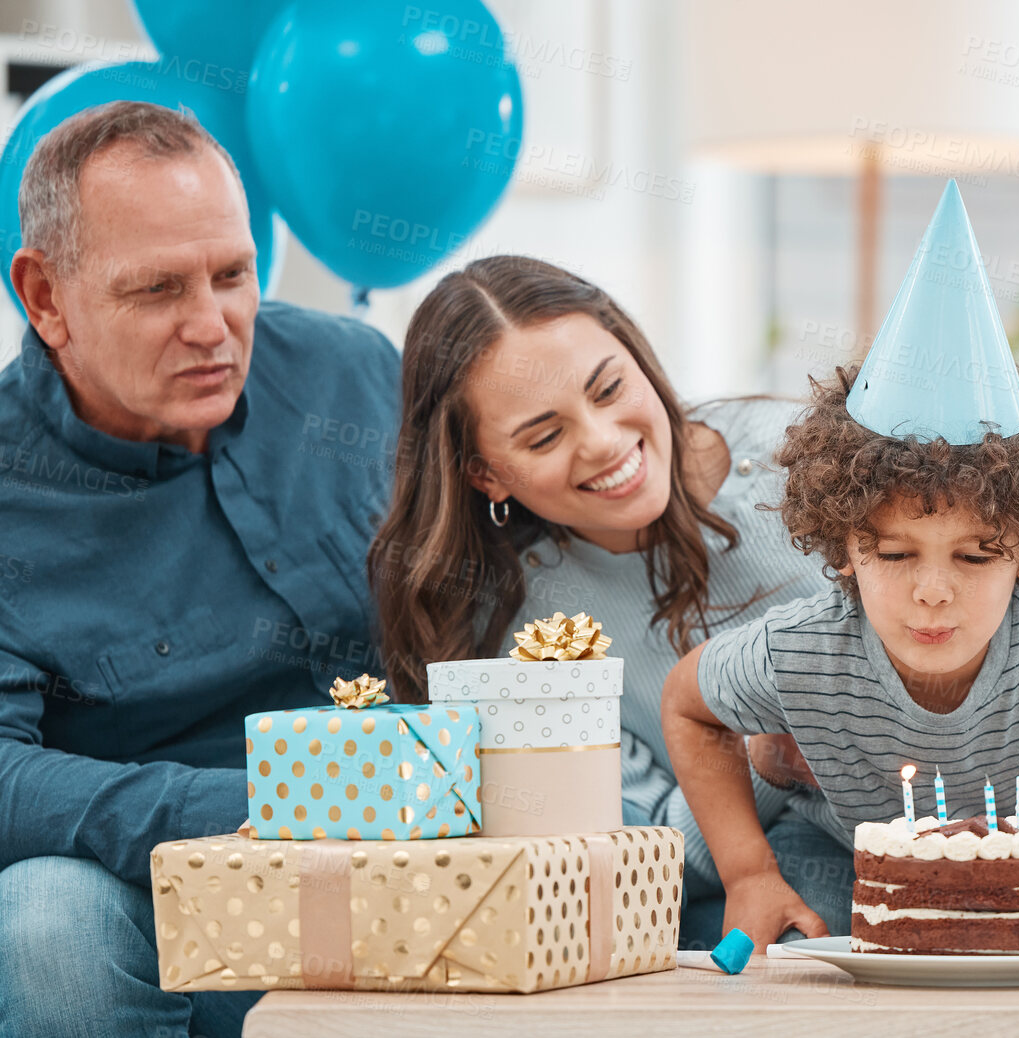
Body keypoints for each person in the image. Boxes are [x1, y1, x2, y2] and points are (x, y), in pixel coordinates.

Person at [0, 102, 398, 1038]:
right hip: (166, 895)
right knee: (46, 923)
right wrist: (243, 807)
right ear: (46, 297)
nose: (212, 326)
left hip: (417, 861)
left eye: (232, 275)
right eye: (156, 290)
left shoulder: (354, 373)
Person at [370, 255, 826, 947]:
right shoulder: (526, 634)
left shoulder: (808, 463)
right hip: (761, 890)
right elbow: (633, 847)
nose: (604, 441)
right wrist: (768, 761)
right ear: (484, 473)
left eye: (609, 388)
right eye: (545, 436)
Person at [661, 362, 1019, 948]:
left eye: (976, 557)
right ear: (842, 550)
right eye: (894, 553)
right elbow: (689, 705)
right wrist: (748, 872)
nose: (932, 591)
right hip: (839, 854)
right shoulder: (799, 649)